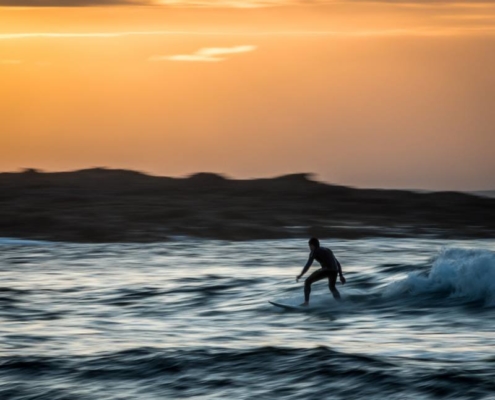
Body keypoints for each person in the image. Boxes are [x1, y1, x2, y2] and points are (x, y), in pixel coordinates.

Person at [296, 237, 346, 306]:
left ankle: (306, 303)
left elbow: (308, 265)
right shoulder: (328, 250)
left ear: (312, 245)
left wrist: (300, 275)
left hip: (327, 270)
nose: (309, 248)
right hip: (335, 270)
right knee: (332, 287)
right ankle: (341, 303)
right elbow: (337, 263)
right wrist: (341, 275)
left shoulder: (314, 251)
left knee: (307, 282)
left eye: (309, 246)